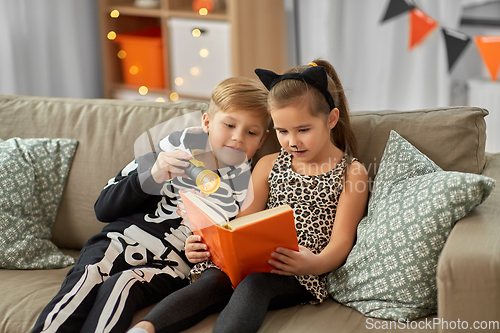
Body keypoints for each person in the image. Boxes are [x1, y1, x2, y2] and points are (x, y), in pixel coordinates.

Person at [128, 59, 369, 333]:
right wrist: (208, 245)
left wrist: (313, 262)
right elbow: (243, 221)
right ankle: (144, 329)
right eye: (282, 131)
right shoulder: (268, 164)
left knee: (254, 283)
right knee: (213, 279)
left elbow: (341, 242)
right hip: (253, 260)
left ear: (331, 119)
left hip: (301, 273)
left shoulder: (351, 172)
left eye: (303, 130)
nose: (292, 141)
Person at [31, 77, 270, 333]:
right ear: (207, 122)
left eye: (251, 132)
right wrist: (150, 177)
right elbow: (103, 209)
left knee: (123, 284)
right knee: (89, 275)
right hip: (118, 241)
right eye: (229, 125)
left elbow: (231, 247)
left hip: (171, 265)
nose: (237, 138)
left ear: (262, 139)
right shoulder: (165, 156)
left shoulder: (251, 188)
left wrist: (203, 251)